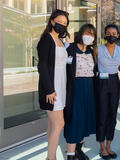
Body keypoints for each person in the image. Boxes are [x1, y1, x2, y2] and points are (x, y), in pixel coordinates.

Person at [37, 9, 69, 160]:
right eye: (59, 22)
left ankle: (50, 157)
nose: (61, 25)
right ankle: (51, 158)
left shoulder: (60, 40)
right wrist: (49, 90)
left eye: (64, 23)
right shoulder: (46, 39)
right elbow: (42, 66)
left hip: (61, 87)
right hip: (52, 89)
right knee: (59, 124)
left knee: (52, 125)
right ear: (52, 21)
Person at [63, 24, 97, 160]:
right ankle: (70, 156)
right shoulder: (69, 48)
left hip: (89, 90)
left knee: (85, 121)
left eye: (92, 34)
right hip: (74, 90)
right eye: (87, 32)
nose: (89, 36)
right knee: (74, 121)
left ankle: (78, 150)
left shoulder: (92, 51)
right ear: (81, 33)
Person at [96, 24, 120, 160]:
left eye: (114, 33)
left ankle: (109, 145)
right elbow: (94, 66)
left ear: (118, 35)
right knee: (102, 114)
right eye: (108, 33)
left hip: (114, 81)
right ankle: (101, 146)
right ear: (105, 35)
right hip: (101, 81)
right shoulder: (98, 50)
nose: (111, 35)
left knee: (112, 113)